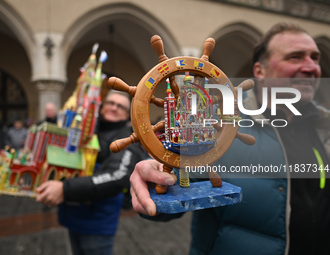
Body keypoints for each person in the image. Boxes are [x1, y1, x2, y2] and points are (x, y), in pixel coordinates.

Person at [130, 23, 330, 255]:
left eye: (315, 58)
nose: (311, 67)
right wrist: (155, 178)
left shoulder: (324, 127)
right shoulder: (219, 125)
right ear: (260, 71)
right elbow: (175, 189)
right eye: (295, 57)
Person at [36, 90, 145, 255]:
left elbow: (117, 176)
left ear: (126, 115)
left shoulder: (127, 138)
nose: (114, 108)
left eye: (121, 106)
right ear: (102, 106)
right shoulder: (88, 129)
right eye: (110, 103)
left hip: (97, 222)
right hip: (72, 215)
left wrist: (65, 189)